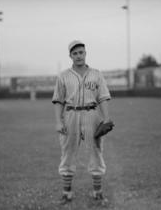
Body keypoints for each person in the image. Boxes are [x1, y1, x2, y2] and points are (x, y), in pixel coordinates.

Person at [52, 40, 112, 205]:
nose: (78, 56)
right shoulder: (63, 76)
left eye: (81, 52)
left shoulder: (96, 74)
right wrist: (58, 122)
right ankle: (66, 193)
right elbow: (58, 101)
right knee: (68, 152)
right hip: (70, 114)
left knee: (96, 151)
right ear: (70, 56)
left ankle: (98, 193)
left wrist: (106, 118)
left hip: (92, 114)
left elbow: (103, 97)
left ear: (85, 53)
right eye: (75, 53)